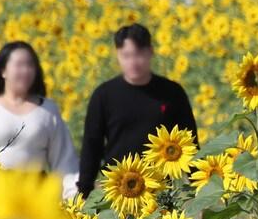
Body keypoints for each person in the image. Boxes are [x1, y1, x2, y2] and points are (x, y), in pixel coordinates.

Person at [76, 24, 198, 197]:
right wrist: (84, 191)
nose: (133, 62)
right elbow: (91, 146)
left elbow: (190, 142)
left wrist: (198, 186)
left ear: (150, 52)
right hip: (118, 190)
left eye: (139, 54)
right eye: (126, 56)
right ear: (117, 55)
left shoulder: (171, 93)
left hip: (161, 190)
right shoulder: (104, 95)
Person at [0, 41, 79, 202]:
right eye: (19, 65)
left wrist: (75, 202)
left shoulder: (48, 110)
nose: (26, 70)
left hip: (37, 199)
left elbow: (66, 163)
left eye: (30, 65)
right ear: (3, 71)